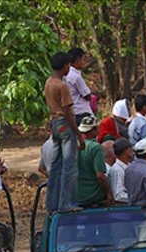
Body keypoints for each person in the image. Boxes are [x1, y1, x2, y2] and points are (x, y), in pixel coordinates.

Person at [44, 51, 85, 212]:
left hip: (54, 122)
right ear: (65, 66)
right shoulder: (62, 86)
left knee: (56, 165)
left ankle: (52, 202)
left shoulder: (49, 82)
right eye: (68, 65)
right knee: (70, 166)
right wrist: (79, 135)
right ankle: (67, 203)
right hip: (65, 124)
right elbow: (68, 112)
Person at [76, 116, 113, 207]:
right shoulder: (95, 147)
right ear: (92, 130)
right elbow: (100, 175)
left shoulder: (73, 144)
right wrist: (108, 192)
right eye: (97, 128)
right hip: (93, 195)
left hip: (75, 194)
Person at [64, 47, 93, 125]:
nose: (84, 62)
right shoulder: (76, 77)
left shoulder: (65, 74)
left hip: (72, 111)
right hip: (81, 111)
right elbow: (87, 96)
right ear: (77, 60)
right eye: (83, 59)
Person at [108, 137, 133, 203]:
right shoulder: (117, 170)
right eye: (130, 148)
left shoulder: (129, 166)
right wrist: (135, 198)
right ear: (125, 150)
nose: (132, 151)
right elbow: (118, 195)